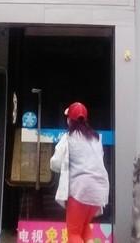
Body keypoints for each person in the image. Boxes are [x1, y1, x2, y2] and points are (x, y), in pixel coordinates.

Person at [50, 102, 109, 243]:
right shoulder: (96, 138)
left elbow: (55, 162)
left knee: (74, 233)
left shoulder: (68, 138)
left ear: (69, 120)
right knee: (84, 227)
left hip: (80, 191)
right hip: (99, 191)